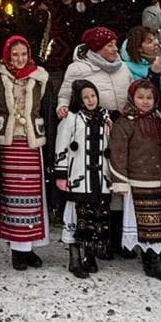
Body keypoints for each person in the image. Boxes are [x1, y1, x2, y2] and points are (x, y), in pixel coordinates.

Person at [56, 26, 135, 262]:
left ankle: (118, 238)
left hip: (117, 125)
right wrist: (63, 106)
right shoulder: (79, 68)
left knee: (115, 181)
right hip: (92, 125)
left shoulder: (122, 67)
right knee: (96, 186)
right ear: (97, 48)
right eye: (109, 45)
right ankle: (99, 243)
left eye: (114, 44)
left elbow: (130, 90)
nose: (114, 49)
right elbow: (66, 92)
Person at [0, 35, 51, 271]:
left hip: (31, 142)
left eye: (23, 54)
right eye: (15, 55)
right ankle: (16, 249)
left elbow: (45, 107)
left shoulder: (39, 76)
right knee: (12, 198)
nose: (20, 59)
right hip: (8, 142)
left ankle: (29, 247)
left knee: (32, 197)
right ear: (7, 55)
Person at [108, 79, 161, 282]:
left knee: (159, 224)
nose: (145, 101)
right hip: (137, 181)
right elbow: (118, 154)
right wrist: (120, 180)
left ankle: (154, 257)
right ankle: (152, 261)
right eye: (140, 97)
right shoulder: (125, 123)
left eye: (149, 97)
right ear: (132, 97)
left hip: (159, 180)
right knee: (146, 225)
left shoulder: (159, 121)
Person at [52, 79, 115, 279]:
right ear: (79, 100)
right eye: (85, 97)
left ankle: (90, 254)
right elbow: (61, 146)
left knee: (95, 219)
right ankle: (74, 258)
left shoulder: (105, 119)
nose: (90, 100)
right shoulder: (72, 119)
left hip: (99, 179)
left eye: (93, 96)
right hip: (78, 178)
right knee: (75, 217)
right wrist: (61, 173)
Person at [121, 25, 161, 100]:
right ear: (139, 48)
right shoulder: (131, 67)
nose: (156, 42)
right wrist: (154, 73)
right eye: (150, 42)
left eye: (155, 38)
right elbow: (144, 92)